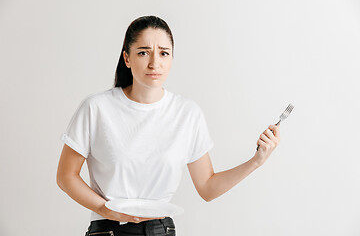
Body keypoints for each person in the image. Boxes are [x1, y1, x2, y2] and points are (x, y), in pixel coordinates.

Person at [56, 15, 280, 236]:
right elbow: (66, 176)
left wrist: (256, 161)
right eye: (143, 52)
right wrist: (106, 210)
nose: (155, 63)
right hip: (110, 229)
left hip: (161, 230)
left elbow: (207, 188)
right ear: (127, 58)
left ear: (172, 58)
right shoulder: (97, 108)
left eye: (164, 53)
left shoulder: (187, 113)